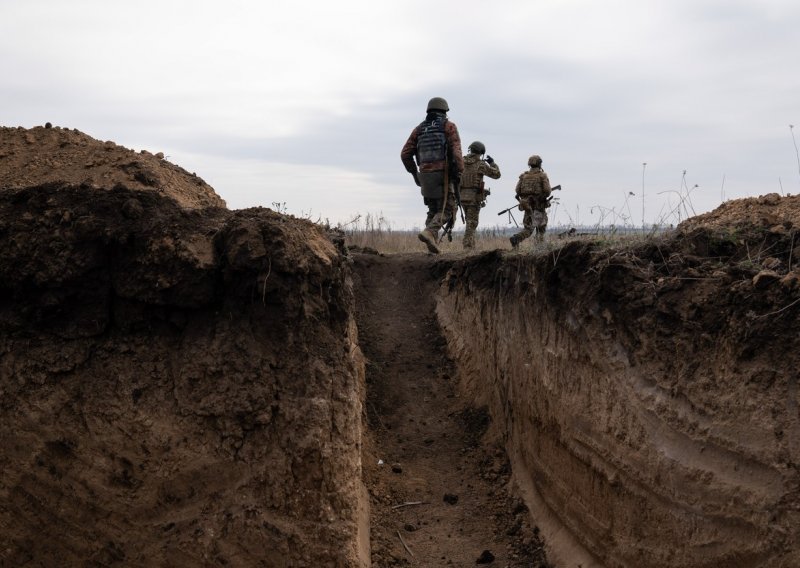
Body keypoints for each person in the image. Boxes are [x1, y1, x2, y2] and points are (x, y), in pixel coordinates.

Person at [401, 97, 464, 254]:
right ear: (444, 111)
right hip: (443, 175)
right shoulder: (448, 126)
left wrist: (415, 173)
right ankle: (430, 233)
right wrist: (460, 171)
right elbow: (456, 152)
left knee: (433, 209)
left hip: (425, 175)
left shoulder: (419, 129)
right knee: (448, 209)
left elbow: (405, 154)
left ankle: (432, 243)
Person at [460, 141, 501, 249]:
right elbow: (497, 175)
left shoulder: (460, 161)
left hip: (461, 197)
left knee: (469, 223)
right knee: (472, 223)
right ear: (481, 152)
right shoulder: (481, 164)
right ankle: (467, 247)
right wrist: (492, 163)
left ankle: (471, 247)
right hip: (474, 198)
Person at [510, 154, 552, 250]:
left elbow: (517, 190)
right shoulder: (542, 175)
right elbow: (548, 191)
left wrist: (526, 197)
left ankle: (517, 238)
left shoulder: (523, 176)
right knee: (541, 227)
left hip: (526, 205)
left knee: (528, 227)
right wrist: (541, 196)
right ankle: (539, 248)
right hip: (538, 206)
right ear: (540, 164)